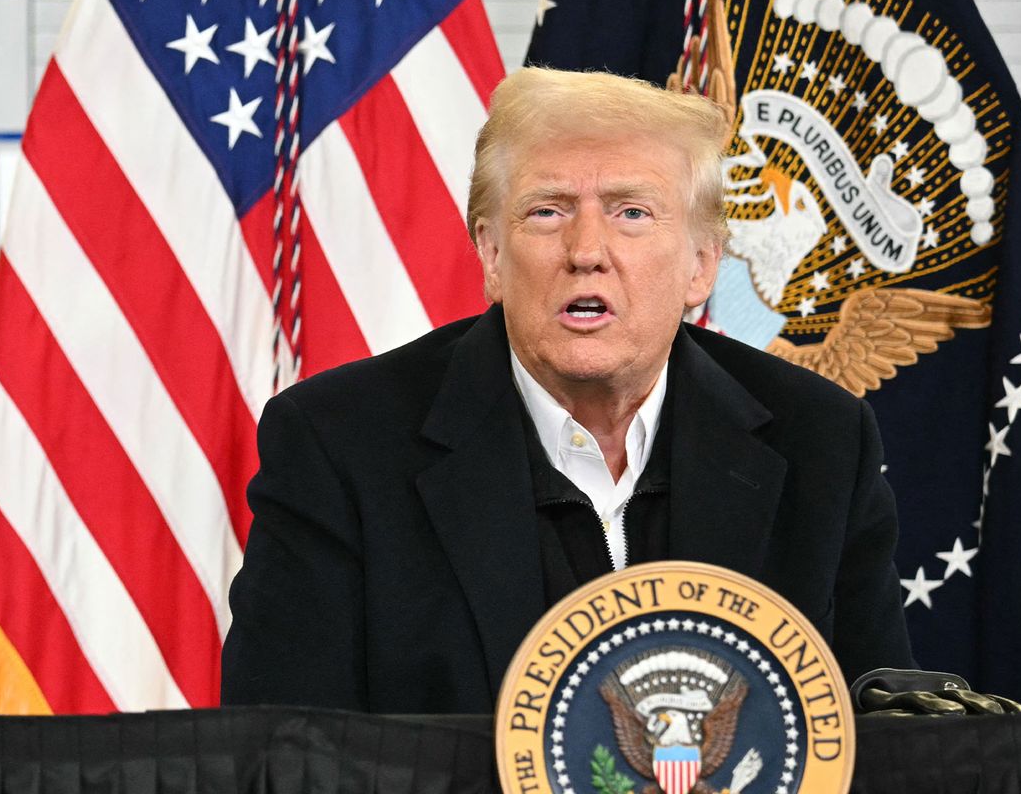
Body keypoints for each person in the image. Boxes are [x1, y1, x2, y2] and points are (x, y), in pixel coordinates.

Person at [220, 67, 915, 713]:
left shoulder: (820, 440)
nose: (587, 250)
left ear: (702, 266)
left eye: (632, 213)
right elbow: (283, 751)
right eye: (547, 212)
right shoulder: (339, 443)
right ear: (492, 255)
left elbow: (883, 739)